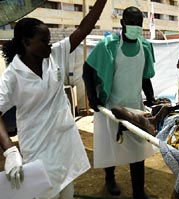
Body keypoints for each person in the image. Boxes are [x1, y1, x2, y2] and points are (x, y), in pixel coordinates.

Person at [0, 0, 107, 198]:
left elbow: (84, 28)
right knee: (46, 194)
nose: (49, 44)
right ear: (26, 42)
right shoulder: (13, 76)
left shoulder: (54, 55)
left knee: (67, 192)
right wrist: (10, 151)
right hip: (38, 149)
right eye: (44, 40)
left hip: (64, 143)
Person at [82, 6, 158, 199]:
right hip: (110, 105)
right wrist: (92, 96)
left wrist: (150, 97)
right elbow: (87, 69)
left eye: (138, 24)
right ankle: (110, 180)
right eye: (131, 23)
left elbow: (145, 77)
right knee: (110, 146)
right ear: (122, 23)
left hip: (134, 106)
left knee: (137, 149)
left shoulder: (145, 46)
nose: (135, 27)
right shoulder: (108, 45)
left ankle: (138, 191)